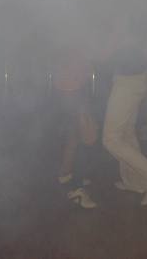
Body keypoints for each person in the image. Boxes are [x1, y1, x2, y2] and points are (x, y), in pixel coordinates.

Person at [102, 15, 147, 206]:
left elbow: (105, 53)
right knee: (126, 133)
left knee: (110, 139)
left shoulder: (121, 20)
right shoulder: (132, 17)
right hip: (137, 78)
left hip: (128, 81)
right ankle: (135, 182)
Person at [53, 44, 98, 209]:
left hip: (71, 87)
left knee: (74, 135)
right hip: (71, 88)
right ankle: (77, 189)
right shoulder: (74, 41)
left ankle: (66, 174)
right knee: (85, 135)